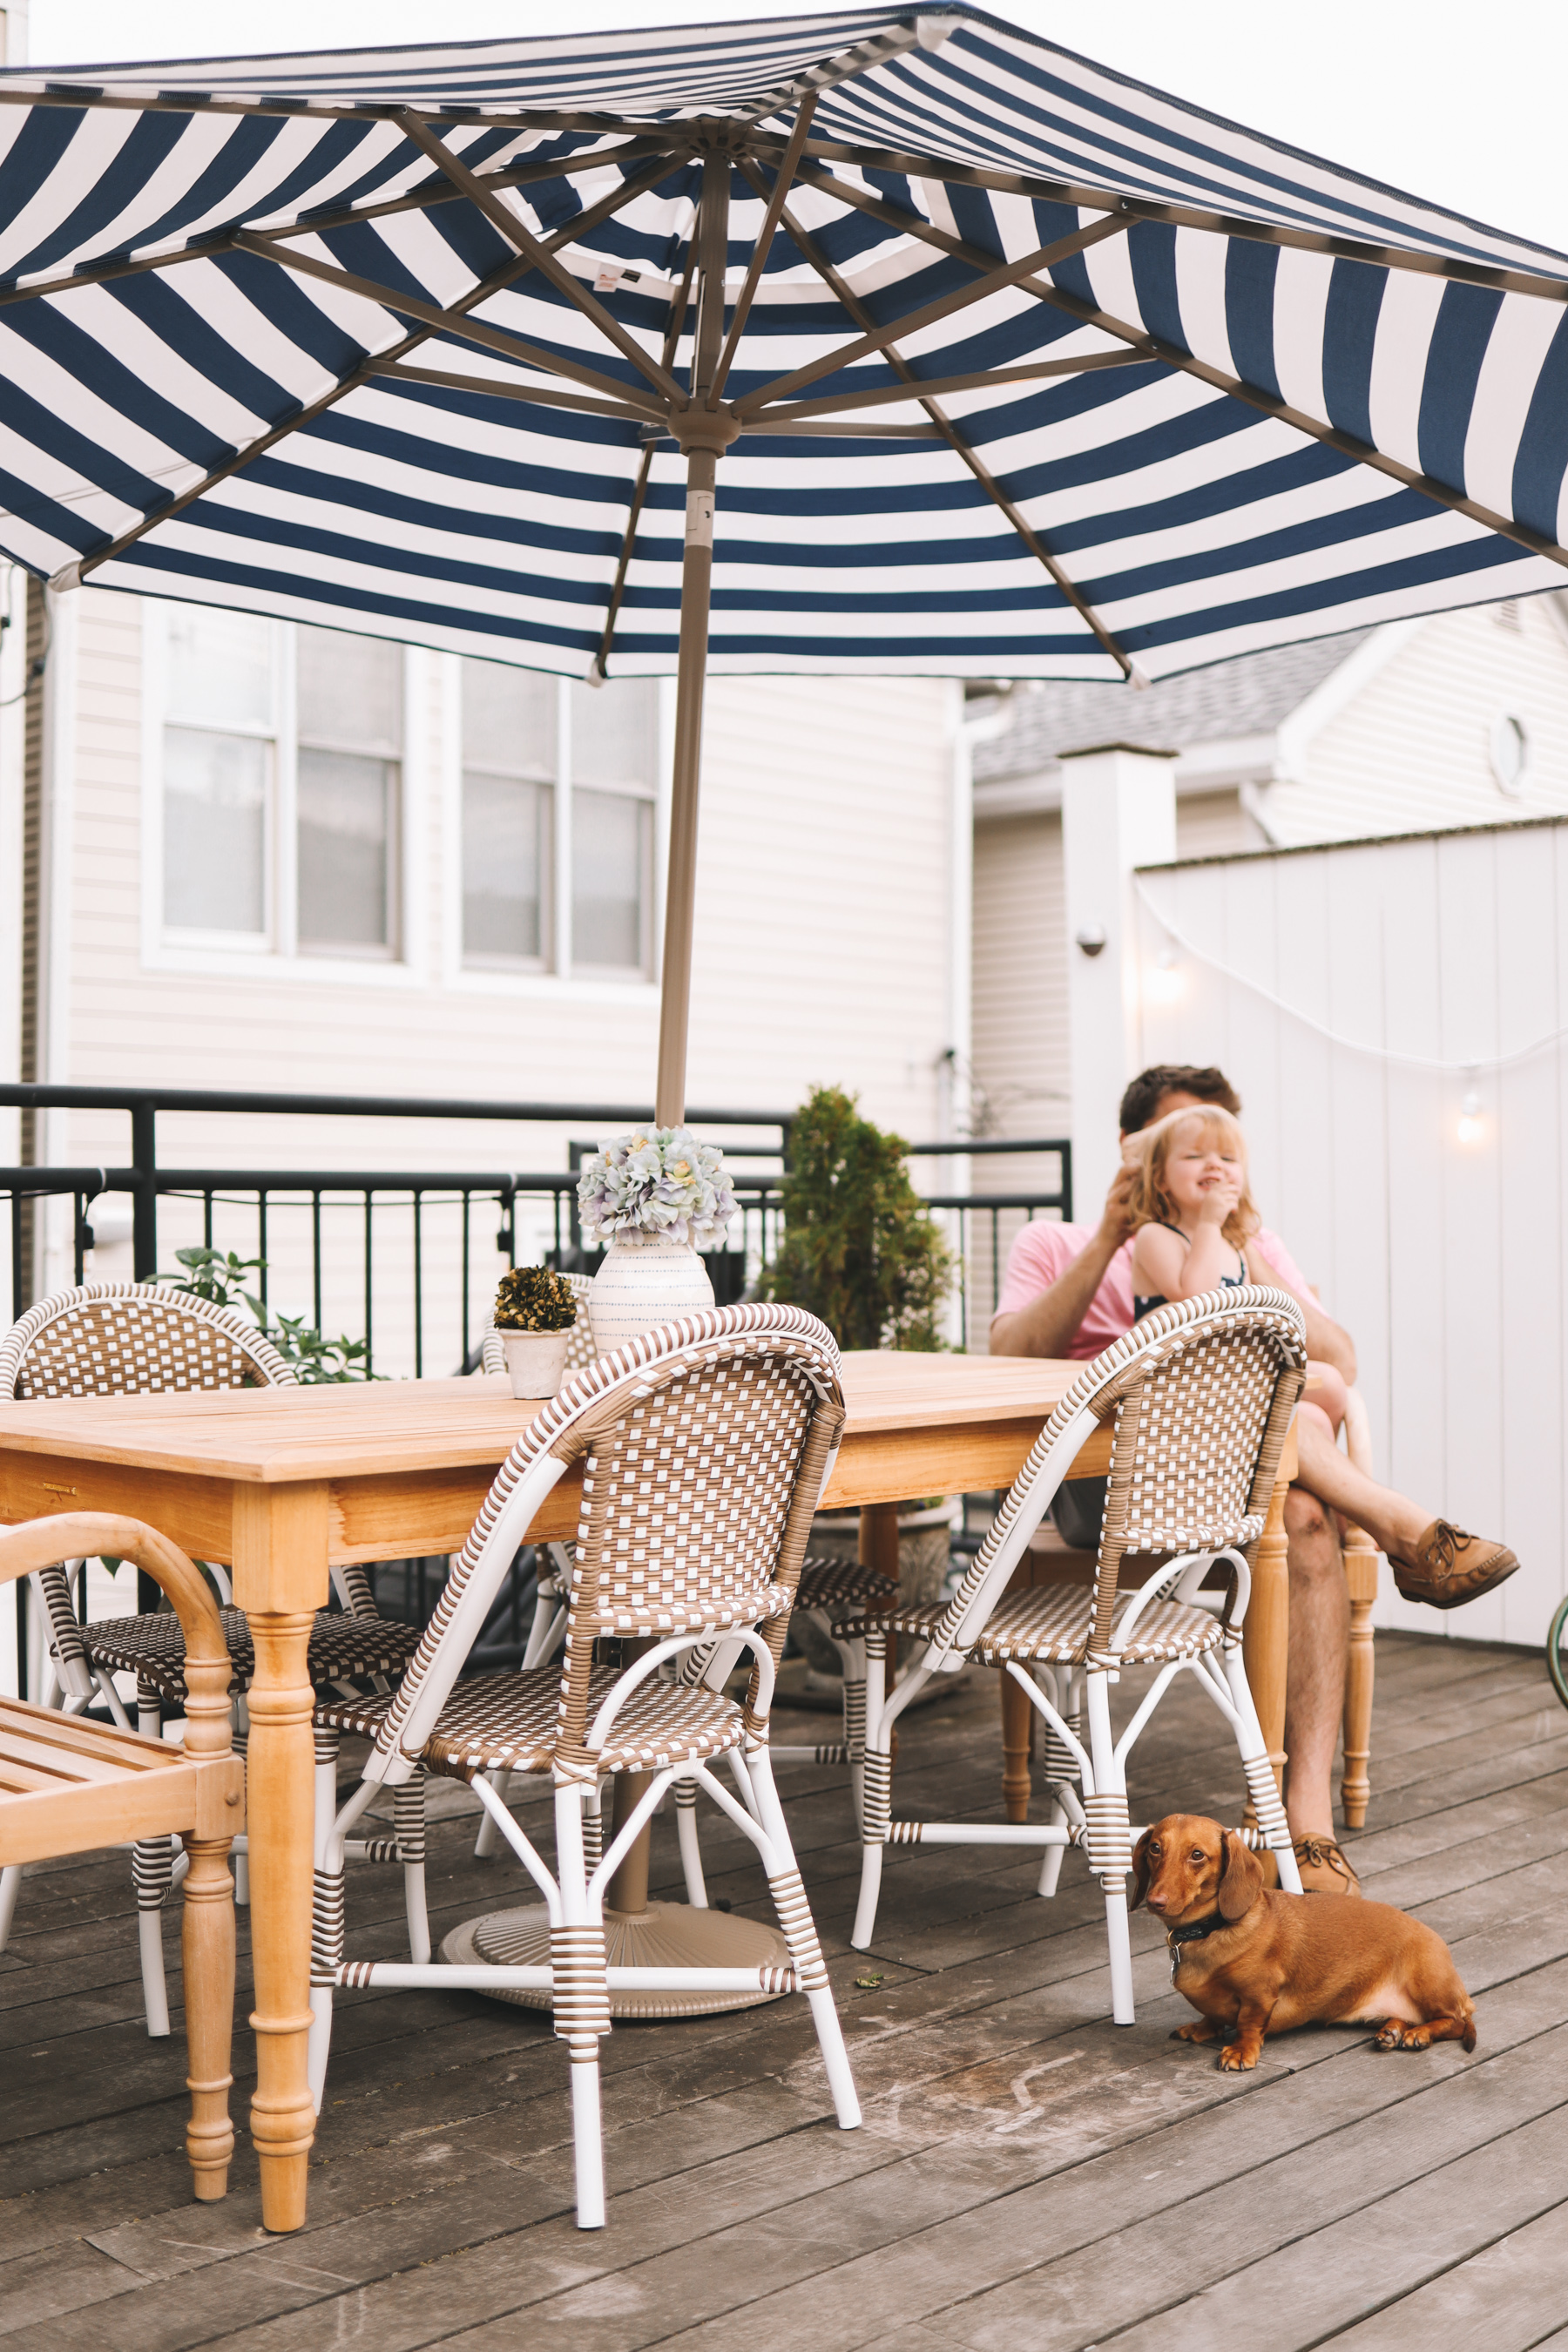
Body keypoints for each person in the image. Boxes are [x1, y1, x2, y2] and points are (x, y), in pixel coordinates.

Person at [991, 1064, 1518, 1897]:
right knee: (1298, 1444)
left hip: (1242, 1478)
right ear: (1133, 1151)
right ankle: (1407, 1532)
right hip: (1110, 1476)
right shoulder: (1068, 1242)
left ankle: (1302, 1826)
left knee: (1305, 1487)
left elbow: (1333, 1357)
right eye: (1183, 1146)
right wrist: (1110, 1233)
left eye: (1224, 1149)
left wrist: (1248, 1245)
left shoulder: (1244, 1242)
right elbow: (1010, 1356)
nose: (1209, 1165)